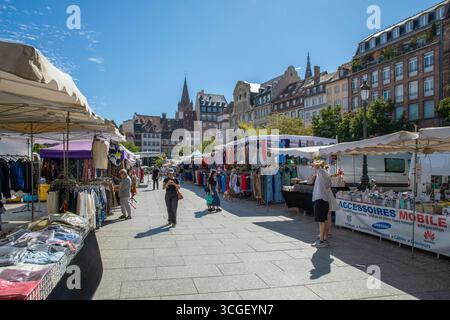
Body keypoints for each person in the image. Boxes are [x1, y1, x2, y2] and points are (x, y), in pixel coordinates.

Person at [310, 160, 336, 248]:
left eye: (313, 166)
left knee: (321, 221)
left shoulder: (321, 172)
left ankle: (321, 241)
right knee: (324, 220)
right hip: (324, 199)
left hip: (320, 198)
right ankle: (323, 239)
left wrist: (316, 163)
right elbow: (329, 185)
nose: (312, 168)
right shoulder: (325, 174)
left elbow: (317, 167)